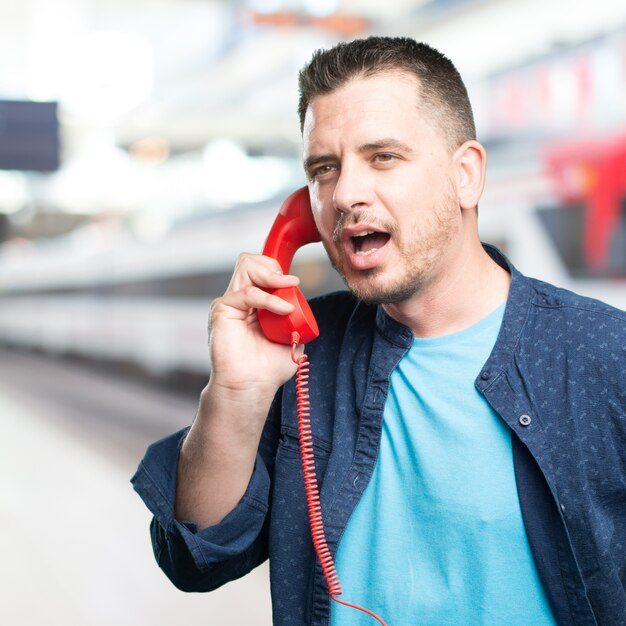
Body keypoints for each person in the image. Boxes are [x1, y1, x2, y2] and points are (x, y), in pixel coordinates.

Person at [131, 36, 626, 625]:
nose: (345, 194)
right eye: (324, 168)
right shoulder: (301, 358)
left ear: (465, 175)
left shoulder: (603, 353)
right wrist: (235, 393)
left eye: (383, 156)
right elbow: (197, 559)